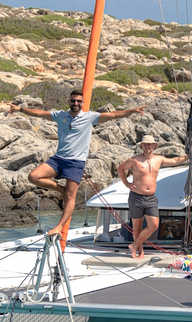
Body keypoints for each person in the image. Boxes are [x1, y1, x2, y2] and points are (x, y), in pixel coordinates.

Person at [10, 90, 145, 238]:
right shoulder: (60, 115)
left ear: (82, 103)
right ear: (69, 101)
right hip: (58, 159)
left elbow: (113, 115)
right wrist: (20, 109)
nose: (76, 103)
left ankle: (59, 227)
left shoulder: (89, 118)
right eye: (73, 101)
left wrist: (132, 111)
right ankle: (61, 190)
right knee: (33, 176)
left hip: (75, 163)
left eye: (78, 101)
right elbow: (40, 113)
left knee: (71, 196)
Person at [117, 134, 188, 259]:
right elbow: (120, 168)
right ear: (141, 146)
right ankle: (139, 252)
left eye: (149, 144)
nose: (147, 146)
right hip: (136, 197)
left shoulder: (159, 159)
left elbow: (175, 161)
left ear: (154, 146)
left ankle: (133, 246)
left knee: (154, 225)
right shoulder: (134, 160)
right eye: (144, 144)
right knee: (137, 227)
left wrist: (189, 156)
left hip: (150, 198)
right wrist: (127, 183)